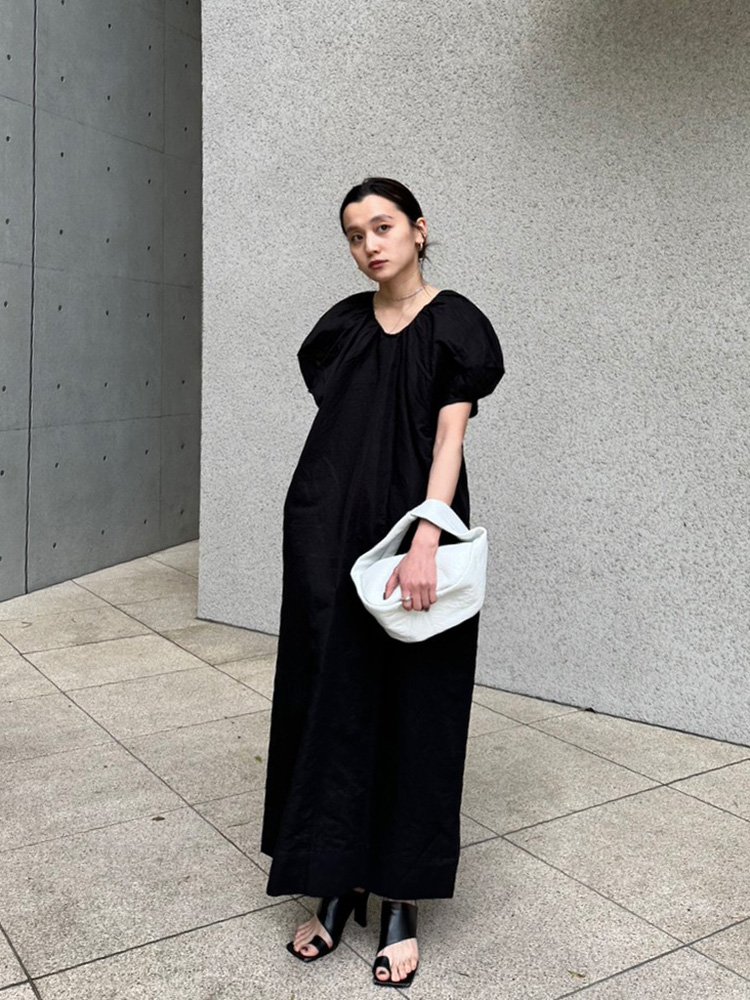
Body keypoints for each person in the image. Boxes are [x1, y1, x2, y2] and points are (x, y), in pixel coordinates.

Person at [260, 176, 505, 987]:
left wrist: (426, 537)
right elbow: (343, 426)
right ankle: (334, 883)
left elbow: (448, 440)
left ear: (419, 230)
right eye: (355, 234)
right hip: (327, 531)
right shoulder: (340, 329)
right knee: (330, 702)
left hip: (413, 532)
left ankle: (400, 898)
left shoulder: (456, 325)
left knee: (417, 706)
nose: (370, 244)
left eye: (384, 226)